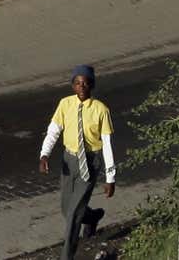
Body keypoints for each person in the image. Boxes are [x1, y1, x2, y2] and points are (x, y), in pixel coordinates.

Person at [38, 64, 116, 260]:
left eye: (86, 83)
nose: (82, 87)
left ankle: (67, 256)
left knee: (73, 215)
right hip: (69, 160)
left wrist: (110, 177)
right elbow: (54, 130)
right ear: (73, 86)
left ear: (92, 85)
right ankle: (92, 217)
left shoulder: (101, 110)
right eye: (78, 83)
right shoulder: (65, 104)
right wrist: (44, 155)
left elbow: (107, 144)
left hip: (90, 162)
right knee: (66, 208)